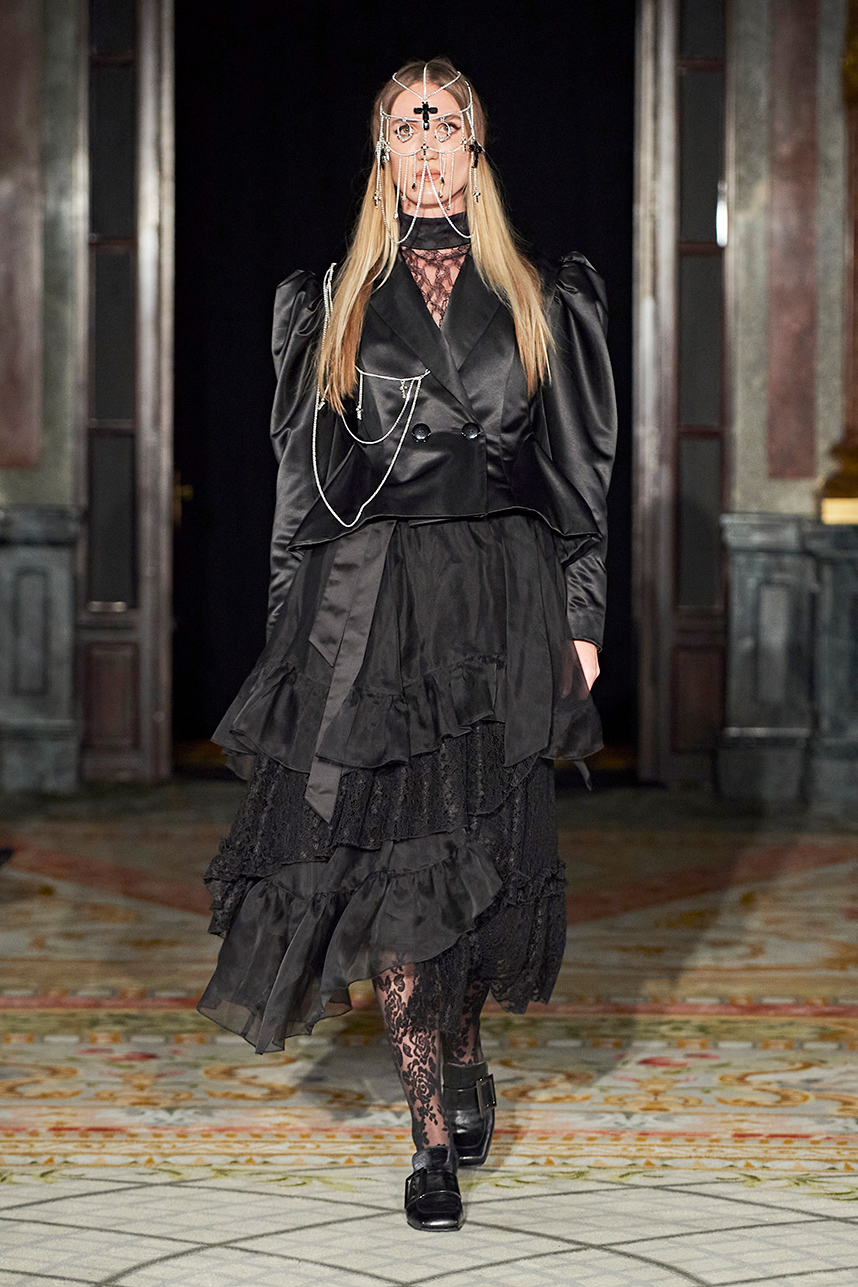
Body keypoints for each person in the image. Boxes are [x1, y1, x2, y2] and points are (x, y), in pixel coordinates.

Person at [197, 56, 617, 1231]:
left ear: (476, 149)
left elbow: (580, 478)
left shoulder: (546, 295)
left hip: (500, 603)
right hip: (374, 612)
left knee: (482, 870)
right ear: (381, 153)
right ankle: (429, 1138)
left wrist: (584, 618)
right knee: (393, 877)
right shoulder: (328, 298)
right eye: (406, 127)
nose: (427, 145)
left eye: (446, 125)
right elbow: (297, 498)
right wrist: (289, 646)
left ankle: (467, 1055)